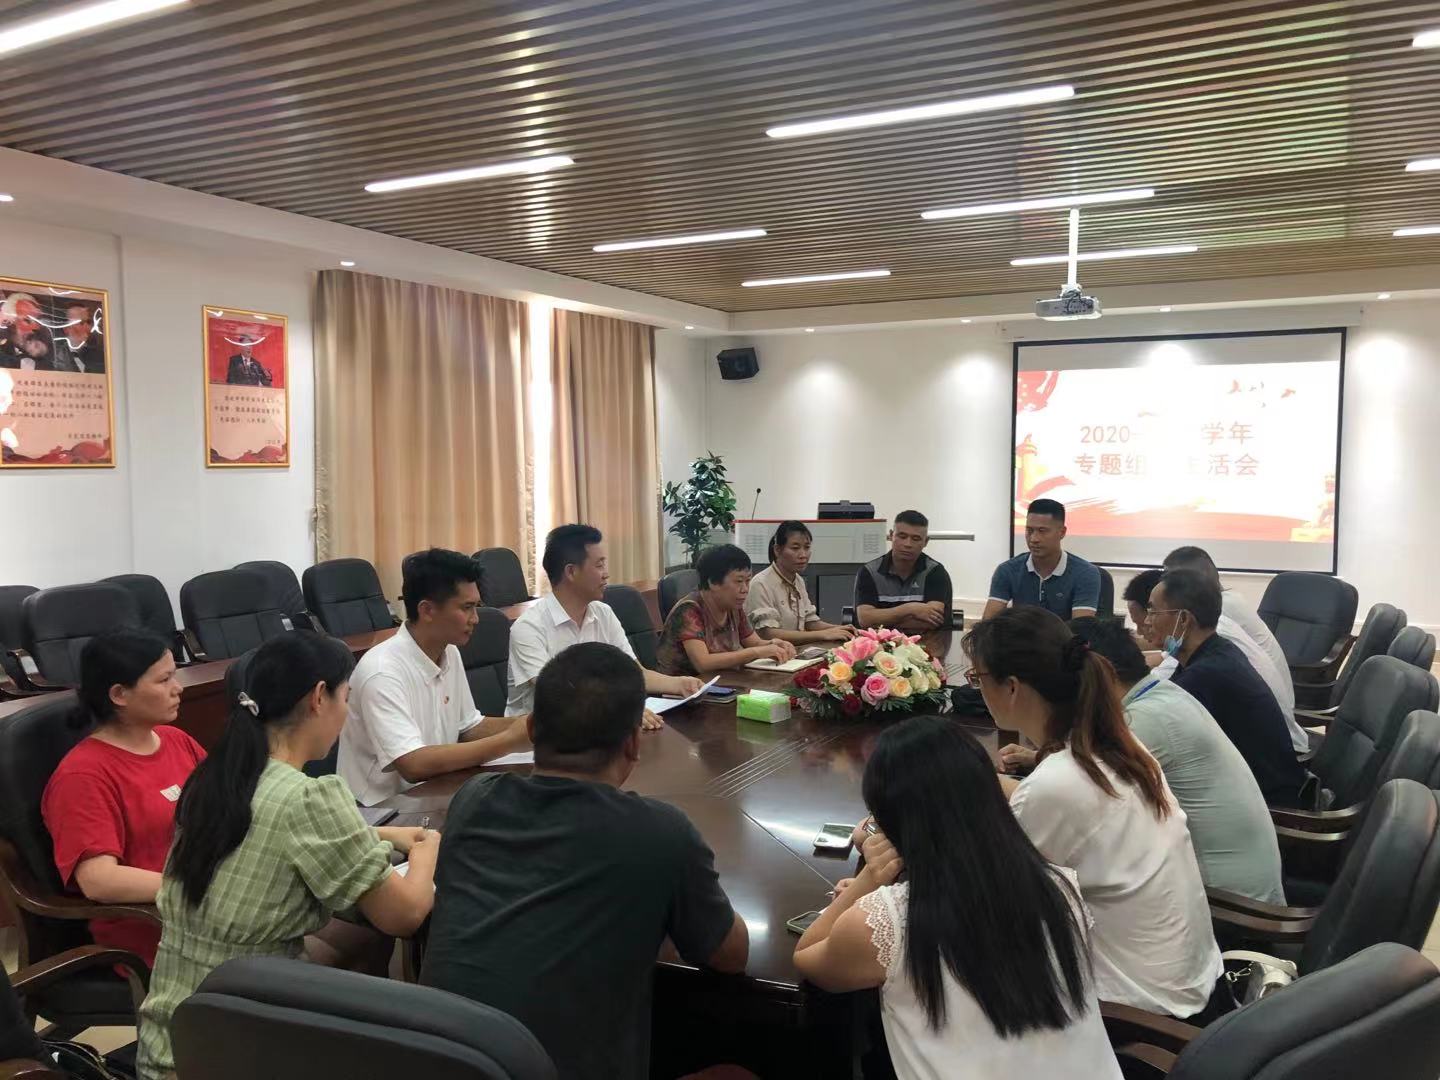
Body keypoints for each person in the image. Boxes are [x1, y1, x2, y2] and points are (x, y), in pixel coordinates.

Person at [422, 642, 747, 1079]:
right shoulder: (660, 831)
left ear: (531, 728)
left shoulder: (472, 800)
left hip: (447, 1061)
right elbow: (731, 955)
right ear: (633, 742)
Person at [136, 632, 439, 1080]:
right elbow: (406, 915)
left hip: (171, 1047)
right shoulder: (310, 798)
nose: (346, 713)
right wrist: (428, 848)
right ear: (319, 697)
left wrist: (377, 833)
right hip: (248, 1048)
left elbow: (270, 827)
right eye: (346, 698)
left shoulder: (216, 779)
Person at [793, 718, 1121, 1079]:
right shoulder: (1058, 885)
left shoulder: (889, 920)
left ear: (893, 822)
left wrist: (868, 880)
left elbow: (807, 956)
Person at [964, 607, 1224, 1019]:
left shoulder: (1057, 784)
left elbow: (990, 903)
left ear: (1011, 687)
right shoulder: (1119, 749)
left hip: (1136, 1017)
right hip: (1195, 984)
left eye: (976, 679)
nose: (976, 689)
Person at [1063, 617, 1286, 905]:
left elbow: (1073, 800)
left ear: (1100, 674)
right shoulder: (1161, 694)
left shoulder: (1143, 721)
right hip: (1242, 887)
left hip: (1230, 905)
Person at [41, 629, 206, 969]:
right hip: (153, 929)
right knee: (303, 958)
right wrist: (198, 887)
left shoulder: (176, 740)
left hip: (207, 908)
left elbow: (226, 805)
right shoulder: (82, 776)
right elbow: (99, 880)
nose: (178, 688)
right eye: (164, 680)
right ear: (119, 694)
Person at [339, 548, 530, 806]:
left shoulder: (449, 651)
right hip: (381, 810)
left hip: (432, 793)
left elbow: (468, 728)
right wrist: (509, 740)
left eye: (476, 607)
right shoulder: (381, 672)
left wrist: (534, 726)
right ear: (427, 610)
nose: (475, 619)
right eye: (467, 608)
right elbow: (413, 764)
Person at [506, 524, 704, 722]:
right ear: (571, 572)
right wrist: (622, 710)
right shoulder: (529, 628)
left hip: (596, 726)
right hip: (542, 733)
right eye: (599, 565)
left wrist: (679, 684)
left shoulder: (603, 613)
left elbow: (633, 674)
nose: (606, 574)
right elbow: (559, 695)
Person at [1147, 569, 1307, 808]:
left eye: (1153, 612)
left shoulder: (1207, 674)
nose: (1147, 621)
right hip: (1249, 791)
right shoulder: (1214, 651)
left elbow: (1154, 734)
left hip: (1267, 807)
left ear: (1184, 619)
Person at [1162, 546, 1306, 753]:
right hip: (1273, 728)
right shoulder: (1222, 609)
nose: (1165, 586)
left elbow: (1162, 682)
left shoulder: (1218, 619)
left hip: (1273, 743)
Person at [655, 544, 796, 676]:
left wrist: (773, 645)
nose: (745, 589)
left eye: (748, 581)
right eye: (739, 581)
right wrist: (756, 652)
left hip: (722, 680)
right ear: (713, 582)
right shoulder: (689, 610)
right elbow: (703, 663)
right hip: (684, 688)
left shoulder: (733, 605)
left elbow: (754, 643)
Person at [984, 499, 1101, 621]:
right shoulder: (1007, 570)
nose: (1034, 539)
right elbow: (988, 624)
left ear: (1062, 532)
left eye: (1042, 531)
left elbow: (1081, 629)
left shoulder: (1085, 573)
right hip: (1021, 633)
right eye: (1029, 530)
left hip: (1064, 634)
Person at [745, 521, 856, 646]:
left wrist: (840, 629)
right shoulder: (760, 583)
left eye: (807, 547)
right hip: (772, 655)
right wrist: (823, 634)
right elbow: (768, 633)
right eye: (795, 548)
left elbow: (810, 622)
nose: (803, 555)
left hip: (797, 653)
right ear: (777, 550)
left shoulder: (798, 580)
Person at [854, 511, 953, 631]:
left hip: (928, 639)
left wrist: (882, 619)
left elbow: (932, 622)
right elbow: (865, 620)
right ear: (891, 536)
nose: (908, 544)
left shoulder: (935, 572)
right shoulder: (869, 572)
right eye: (902, 536)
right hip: (879, 641)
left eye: (916, 539)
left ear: (925, 542)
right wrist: (911, 609)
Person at [51, 303, 104, 374]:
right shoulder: (56, 358)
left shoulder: (100, 355)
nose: (87, 327)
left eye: (88, 322)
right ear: (66, 328)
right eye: (81, 323)